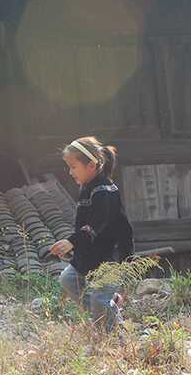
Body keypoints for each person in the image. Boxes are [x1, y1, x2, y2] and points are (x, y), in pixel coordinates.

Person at [50, 136, 134, 332]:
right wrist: (74, 246)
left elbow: (96, 224)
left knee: (98, 298)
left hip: (110, 256)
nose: (70, 172)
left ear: (91, 165)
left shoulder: (105, 191)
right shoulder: (87, 188)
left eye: (73, 166)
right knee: (68, 280)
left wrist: (72, 242)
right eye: (68, 167)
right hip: (91, 253)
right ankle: (108, 312)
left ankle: (112, 339)